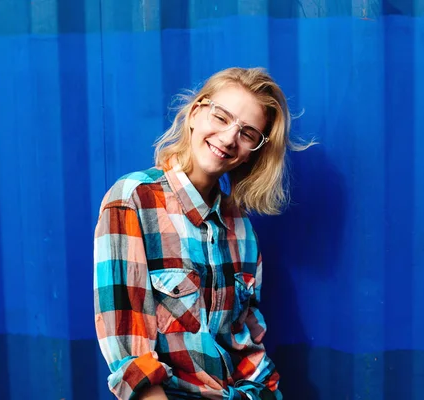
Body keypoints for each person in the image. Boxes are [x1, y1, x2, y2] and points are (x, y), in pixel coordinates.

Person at [93, 67, 311, 400]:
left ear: (254, 148)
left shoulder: (240, 228)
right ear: (196, 113)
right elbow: (130, 355)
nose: (228, 138)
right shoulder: (134, 199)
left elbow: (246, 344)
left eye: (247, 133)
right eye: (221, 117)